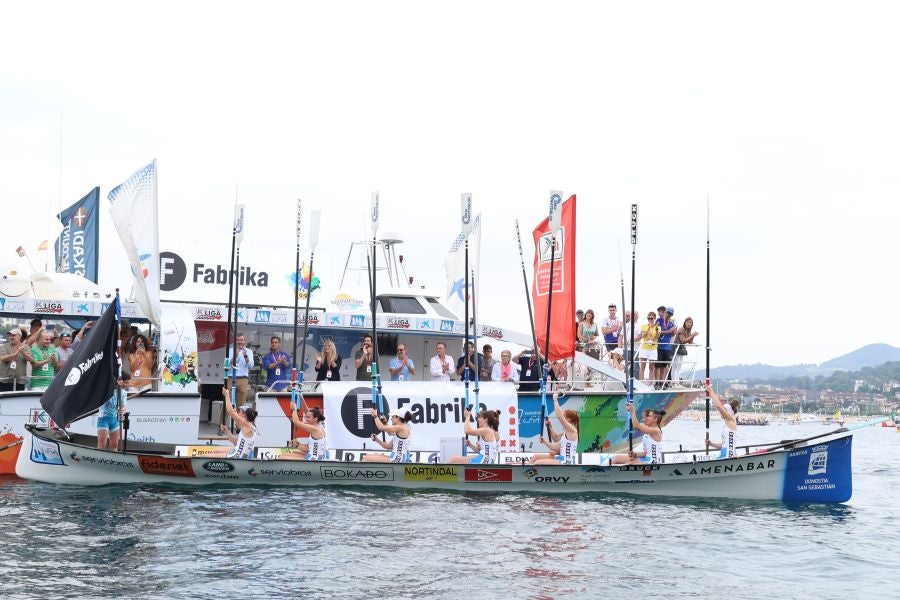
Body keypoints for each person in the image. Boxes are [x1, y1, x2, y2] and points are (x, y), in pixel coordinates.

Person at [529, 392, 579, 465]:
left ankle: (530, 474)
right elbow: (556, 445)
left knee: (537, 463)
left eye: (564, 416)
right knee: (536, 457)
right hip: (561, 458)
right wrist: (545, 441)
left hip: (566, 462)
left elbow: (559, 417)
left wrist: (555, 400)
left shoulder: (572, 430)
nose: (563, 418)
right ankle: (524, 470)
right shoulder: (566, 432)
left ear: (569, 419)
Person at [210, 389, 259, 458]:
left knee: (208, 456)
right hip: (238, 452)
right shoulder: (250, 425)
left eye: (239, 412)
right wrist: (227, 431)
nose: (238, 413)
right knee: (215, 451)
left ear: (244, 415)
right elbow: (236, 442)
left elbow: (230, 411)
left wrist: (227, 395)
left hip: (237, 456)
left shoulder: (245, 423)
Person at [705, 383, 739, 458]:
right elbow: (724, 445)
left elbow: (718, 406)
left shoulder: (731, 420)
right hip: (724, 453)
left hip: (729, 456)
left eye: (723, 411)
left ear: (727, 412)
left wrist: (710, 391)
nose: (720, 413)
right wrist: (711, 444)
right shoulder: (727, 423)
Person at [97, 378, 128, 450]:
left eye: (127, 383)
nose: (126, 385)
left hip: (115, 420)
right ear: (119, 381)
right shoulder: (106, 390)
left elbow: (124, 407)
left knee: (114, 445)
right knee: (102, 445)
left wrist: (122, 410)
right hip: (103, 420)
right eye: (125, 382)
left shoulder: (123, 393)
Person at [225, 334, 254, 407]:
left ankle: (237, 418)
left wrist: (245, 356)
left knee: (240, 404)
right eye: (238, 340)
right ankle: (224, 419)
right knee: (227, 402)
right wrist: (235, 356)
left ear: (244, 341)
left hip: (243, 379)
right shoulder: (230, 350)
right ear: (235, 341)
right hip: (230, 378)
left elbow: (250, 366)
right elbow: (226, 366)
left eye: (241, 340)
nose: (239, 342)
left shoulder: (249, 351)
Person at [654, 307, 677, 388]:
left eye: (670, 314)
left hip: (667, 347)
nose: (668, 315)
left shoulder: (671, 323)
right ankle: (656, 382)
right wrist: (669, 331)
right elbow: (657, 332)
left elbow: (672, 335)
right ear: (665, 312)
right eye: (668, 313)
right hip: (659, 345)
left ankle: (661, 382)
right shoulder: (659, 320)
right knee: (657, 366)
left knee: (664, 366)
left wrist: (674, 332)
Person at [672, 317, 698, 383]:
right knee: (676, 366)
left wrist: (693, 336)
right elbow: (683, 341)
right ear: (685, 323)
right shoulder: (681, 329)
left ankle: (676, 382)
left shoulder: (688, 331)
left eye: (690, 322)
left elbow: (689, 341)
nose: (689, 324)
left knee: (679, 366)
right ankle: (674, 382)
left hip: (681, 349)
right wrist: (692, 335)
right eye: (687, 322)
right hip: (676, 349)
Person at [638, 312, 660, 381]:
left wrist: (655, 328)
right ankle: (641, 382)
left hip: (653, 348)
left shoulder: (658, 327)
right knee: (643, 366)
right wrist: (649, 328)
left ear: (654, 318)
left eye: (651, 318)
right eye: (648, 318)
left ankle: (651, 383)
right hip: (644, 348)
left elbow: (657, 336)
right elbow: (643, 336)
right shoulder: (644, 326)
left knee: (651, 366)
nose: (650, 319)